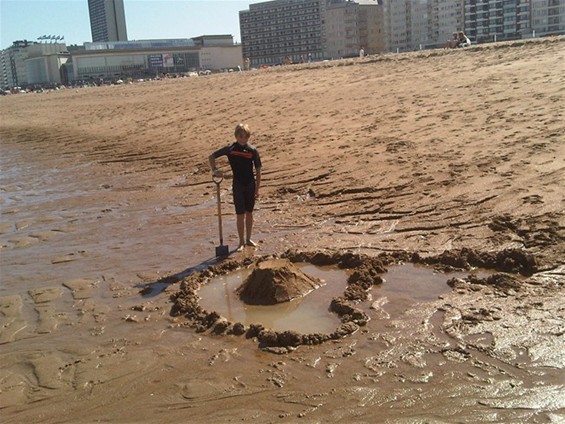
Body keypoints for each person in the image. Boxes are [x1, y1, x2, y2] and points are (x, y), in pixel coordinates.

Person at [209, 123, 262, 252]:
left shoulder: (252, 150)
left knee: (249, 213)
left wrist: (257, 189)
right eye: (241, 136)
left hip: (250, 184)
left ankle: (248, 239)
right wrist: (215, 170)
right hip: (238, 185)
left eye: (246, 137)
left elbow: (258, 170)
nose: (243, 139)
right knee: (240, 214)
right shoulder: (230, 149)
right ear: (236, 136)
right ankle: (241, 242)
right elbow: (211, 157)